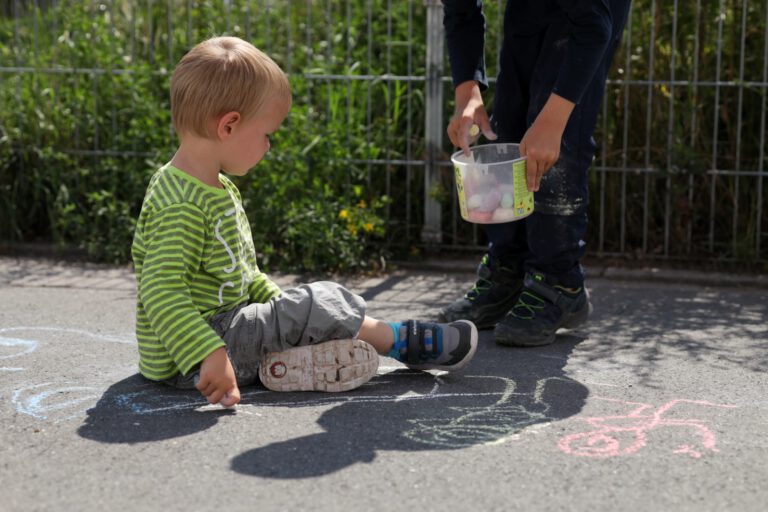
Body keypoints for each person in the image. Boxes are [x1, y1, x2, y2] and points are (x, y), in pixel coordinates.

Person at [132, 36, 478, 407]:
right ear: (228, 126)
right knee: (322, 300)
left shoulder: (215, 187)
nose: (269, 146)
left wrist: (289, 312)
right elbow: (161, 292)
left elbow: (245, 276)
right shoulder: (181, 203)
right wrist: (209, 354)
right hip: (193, 356)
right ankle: (399, 341)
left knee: (310, 308)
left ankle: (293, 362)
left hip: (223, 333)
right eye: (266, 135)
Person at [438, 0, 631, 347]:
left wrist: (553, 121)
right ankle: (508, 271)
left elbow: (592, 28)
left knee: (558, 145)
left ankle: (559, 283)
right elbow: (461, 11)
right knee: (509, 129)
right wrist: (467, 92)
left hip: (594, 13)